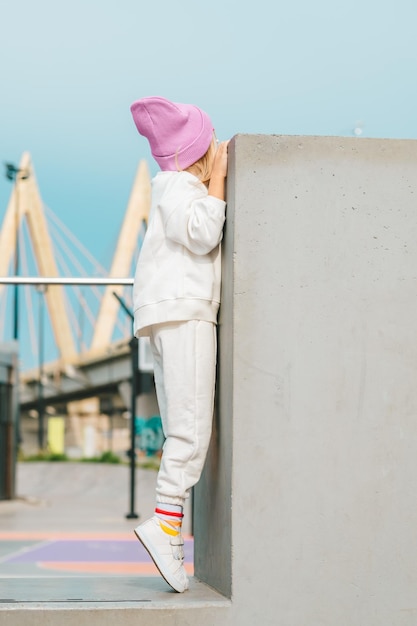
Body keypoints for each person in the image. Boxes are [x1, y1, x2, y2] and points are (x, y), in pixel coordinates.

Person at [130, 96, 229, 592]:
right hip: (185, 312)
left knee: (178, 428)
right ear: (198, 152)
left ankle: (167, 524)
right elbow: (202, 232)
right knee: (192, 430)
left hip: (165, 313)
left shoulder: (167, 185)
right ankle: (166, 526)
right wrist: (219, 182)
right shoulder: (179, 185)